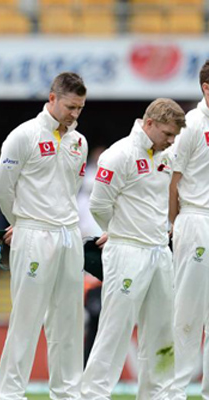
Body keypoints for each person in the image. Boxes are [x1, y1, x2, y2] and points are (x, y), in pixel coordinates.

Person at [81, 98, 186, 399]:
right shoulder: (119, 155)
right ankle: (93, 394)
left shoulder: (166, 154)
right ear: (149, 123)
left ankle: (157, 395)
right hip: (127, 250)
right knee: (115, 330)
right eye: (168, 133)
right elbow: (98, 205)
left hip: (159, 251)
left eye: (175, 135)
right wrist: (116, 232)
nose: (171, 140)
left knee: (161, 332)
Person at [0, 72, 88, 400]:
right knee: (26, 318)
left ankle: (67, 392)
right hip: (34, 233)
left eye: (80, 108)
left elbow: (72, 189)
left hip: (69, 234)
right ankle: (9, 393)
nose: (74, 113)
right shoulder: (24, 136)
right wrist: (20, 222)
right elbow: (3, 189)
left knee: (69, 321)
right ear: (52, 98)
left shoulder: (79, 142)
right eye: (70, 106)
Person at [170, 60, 209, 400]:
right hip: (195, 219)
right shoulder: (191, 124)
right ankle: (175, 390)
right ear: (206, 88)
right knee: (187, 312)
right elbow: (172, 179)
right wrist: (173, 224)